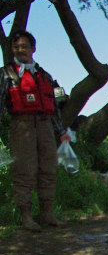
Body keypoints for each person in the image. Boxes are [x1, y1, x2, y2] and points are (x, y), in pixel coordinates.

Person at [0, 30, 70, 232]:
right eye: (16, 47)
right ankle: (26, 217)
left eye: (24, 46)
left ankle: (47, 214)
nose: (20, 50)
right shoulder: (6, 74)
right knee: (24, 170)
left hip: (46, 125)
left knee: (48, 169)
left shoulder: (44, 75)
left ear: (33, 49)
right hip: (21, 126)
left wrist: (61, 131)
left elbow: (54, 107)